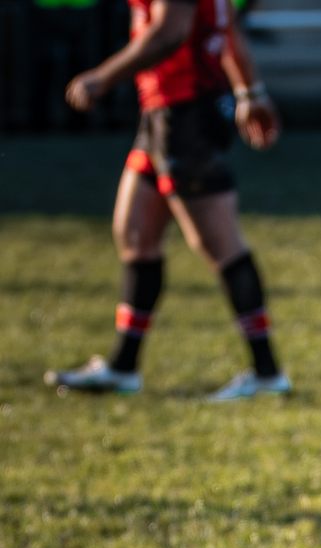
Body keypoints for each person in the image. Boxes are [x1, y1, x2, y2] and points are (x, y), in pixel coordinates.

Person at [46, 0, 288, 402]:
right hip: (162, 112)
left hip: (185, 113)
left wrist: (103, 77)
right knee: (136, 234)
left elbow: (170, 32)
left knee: (221, 244)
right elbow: (227, 28)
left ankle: (267, 373)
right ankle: (123, 367)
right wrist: (250, 92)